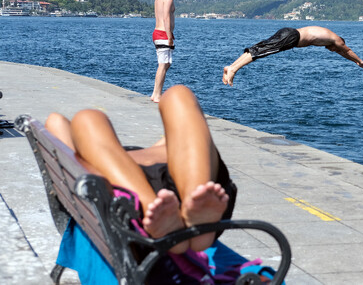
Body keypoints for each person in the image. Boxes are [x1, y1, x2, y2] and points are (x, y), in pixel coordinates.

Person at [45, 85, 235, 254]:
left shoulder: (100, 154)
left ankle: (163, 215)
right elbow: (188, 130)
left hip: (130, 194)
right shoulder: (168, 147)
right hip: (179, 182)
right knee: (178, 94)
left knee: (86, 118)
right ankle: (194, 208)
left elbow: (55, 122)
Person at [222, 25, 363, 86]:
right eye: (335, 49)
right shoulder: (336, 40)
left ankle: (231, 67)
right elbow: (346, 51)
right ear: (339, 42)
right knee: (260, 52)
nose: (333, 51)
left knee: (259, 49)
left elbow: (342, 53)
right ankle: (234, 69)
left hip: (289, 34)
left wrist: (353, 62)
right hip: (292, 37)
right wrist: (359, 61)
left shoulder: (328, 37)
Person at [151, 0, 182, 103]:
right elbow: (166, 18)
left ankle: (156, 93)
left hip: (159, 32)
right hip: (163, 34)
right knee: (163, 65)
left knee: (166, 64)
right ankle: (157, 94)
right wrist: (169, 37)